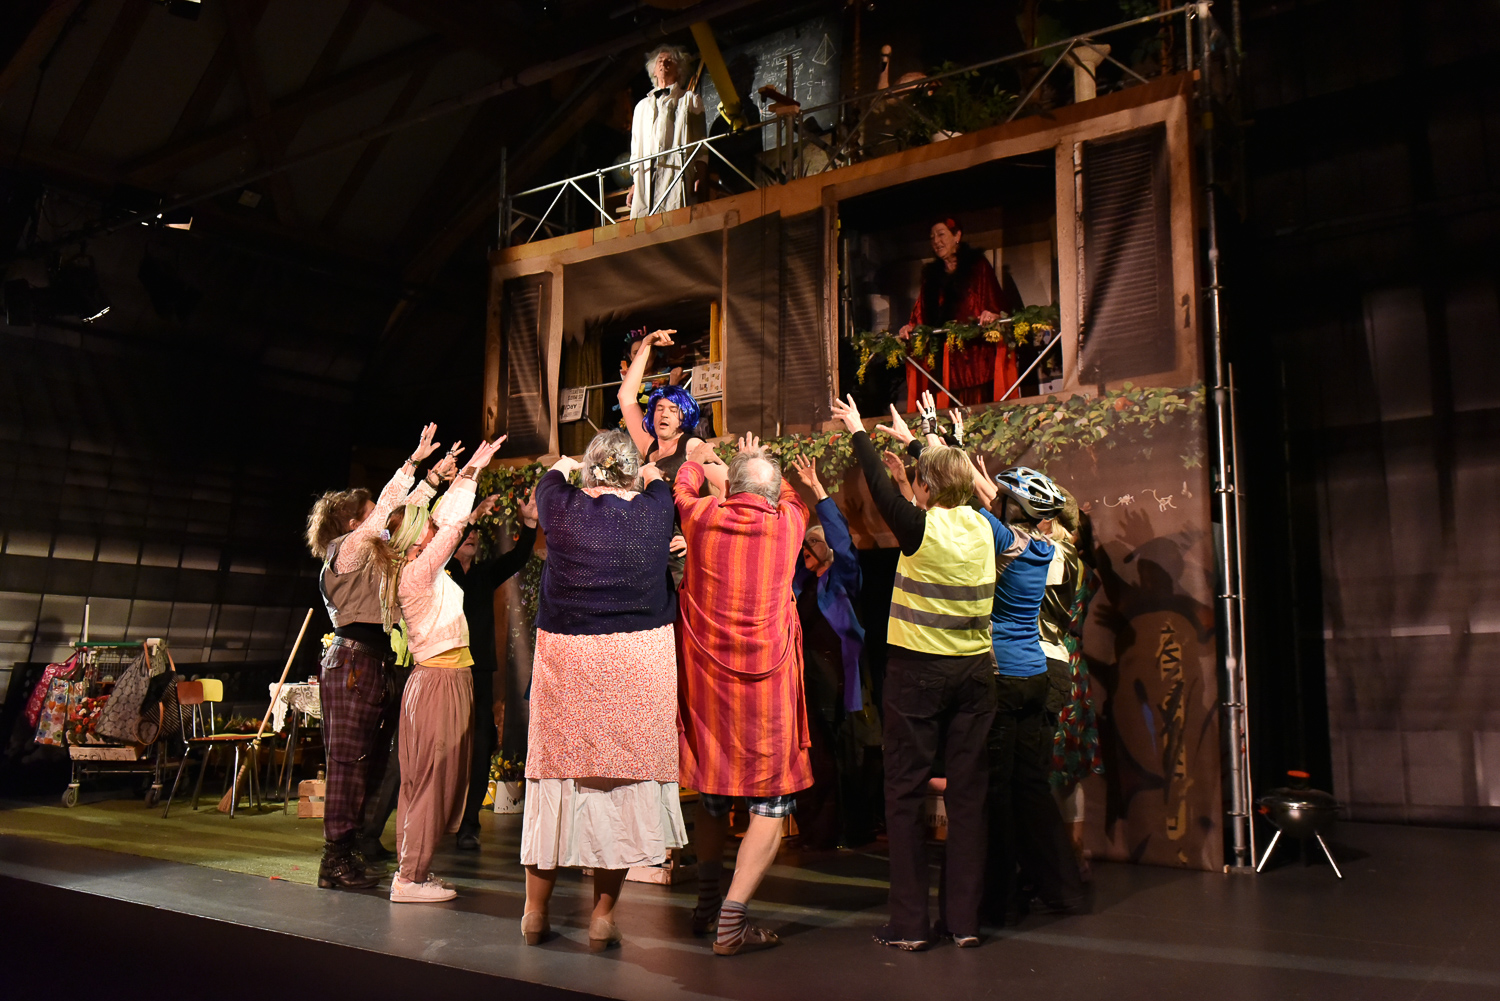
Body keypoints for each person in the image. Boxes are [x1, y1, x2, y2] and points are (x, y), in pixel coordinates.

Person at [830, 394, 997, 951]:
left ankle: (909, 926)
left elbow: (880, 487)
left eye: (920, 480)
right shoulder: (985, 527)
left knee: (903, 794)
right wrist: (925, 442)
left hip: (918, 673)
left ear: (925, 487)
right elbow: (948, 476)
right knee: (968, 797)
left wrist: (858, 430)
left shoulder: (920, 528)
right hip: (975, 675)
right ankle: (964, 922)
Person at [519, 430, 686, 951]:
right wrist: (651, 471)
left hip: (570, 661)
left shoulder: (561, 506)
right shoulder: (656, 510)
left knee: (555, 782)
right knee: (620, 789)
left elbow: (550, 478)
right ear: (631, 471)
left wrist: (570, 463)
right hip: (635, 664)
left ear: (591, 469)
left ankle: (534, 912)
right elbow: (659, 483)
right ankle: (602, 918)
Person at [674, 435, 812, 956]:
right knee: (771, 803)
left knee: (712, 795)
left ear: (731, 490)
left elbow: (682, 487)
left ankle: (708, 904)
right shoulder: (788, 523)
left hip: (710, 687)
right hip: (767, 689)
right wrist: (747, 465)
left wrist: (700, 460)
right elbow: (793, 494)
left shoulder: (702, 518)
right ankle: (730, 919)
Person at [304, 423, 449, 890]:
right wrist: (412, 465)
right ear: (354, 525)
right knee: (348, 763)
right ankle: (334, 860)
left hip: (373, 662)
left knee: (369, 764)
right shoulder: (345, 552)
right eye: (370, 517)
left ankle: (351, 851)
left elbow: (401, 521)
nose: (381, 523)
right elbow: (388, 511)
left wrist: (433, 481)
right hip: (352, 661)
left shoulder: (373, 554)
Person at [363, 436, 505, 903]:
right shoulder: (417, 571)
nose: (432, 527)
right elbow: (451, 527)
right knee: (429, 780)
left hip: (443, 679)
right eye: (424, 526)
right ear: (414, 539)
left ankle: (414, 871)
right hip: (439, 682)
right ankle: (410, 878)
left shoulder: (415, 567)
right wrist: (469, 476)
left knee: (425, 779)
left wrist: (463, 475)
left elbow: (441, 521)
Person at [966, 462, 1083, 919]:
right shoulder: (1048, 547)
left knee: (1000, 786)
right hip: (1039, 670)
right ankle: (1057, 886)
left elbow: (982, 513)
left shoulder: (1030, 549)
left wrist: (934, 447)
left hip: (1016, 671)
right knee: (1028, 785)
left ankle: (1002, 896)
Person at [788, 455, 873, 849]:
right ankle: (818, 834)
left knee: (846, 758)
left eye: (815, 542)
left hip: (840, 682)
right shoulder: (800, 583)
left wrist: (819, 492)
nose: (808, 547)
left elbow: (842, 544)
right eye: (806, 543)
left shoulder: (842, 582)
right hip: (807, 682)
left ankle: (852, 831)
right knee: (815, 758)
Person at [450, 491, 539, 851]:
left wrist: (529, 524)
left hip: (479, 672)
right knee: (445, 746)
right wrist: (468, 519)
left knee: (482, 744)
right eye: (466, 532)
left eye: (474, 533)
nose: (471, 536)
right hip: (446, 671)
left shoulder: (483, 574)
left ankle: (469, 824)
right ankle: (439, 816)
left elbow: (517, 558)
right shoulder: (441, 571)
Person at [1041, 493, 1103, 879]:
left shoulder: (1062, 563)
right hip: (1074, 665)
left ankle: (1060, 861)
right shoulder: (1086, 568)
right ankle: (1073, 858)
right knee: (1067, 770)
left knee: (1052, 765)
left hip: (1054, 661)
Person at [897, 216, 1015, 408]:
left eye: (941, 234)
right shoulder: (930, 277)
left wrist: (992, 315)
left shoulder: (977, 266)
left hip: (975, 360)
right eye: (932, 237)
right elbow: (921, 314)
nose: (936, 241)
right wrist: (911, 327)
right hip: (944, 364)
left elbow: (997, 305)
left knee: (979, 414)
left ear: (957, 236)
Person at [619, 327, 695, 579]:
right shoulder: (647, 445)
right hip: (647, 550)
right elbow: (626, 396)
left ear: (684, 416)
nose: (664, 414)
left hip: (677, 558)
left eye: (673, 410)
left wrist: (696, 538)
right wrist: (646, 344)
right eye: (660, 409)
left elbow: (724, 493)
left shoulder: (692, 446)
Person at [628, 45, 704, 219]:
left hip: (676, 174)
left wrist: (701, 175)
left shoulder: (690, 100)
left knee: (677, 220)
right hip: (646, 179)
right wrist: (634, 184)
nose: (664, 63)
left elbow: (701, 142)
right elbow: (635, 148)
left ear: (679, 70)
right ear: (653, 71)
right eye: (660, 61)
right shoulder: (641, 107)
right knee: (644, 226)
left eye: (670, 61)